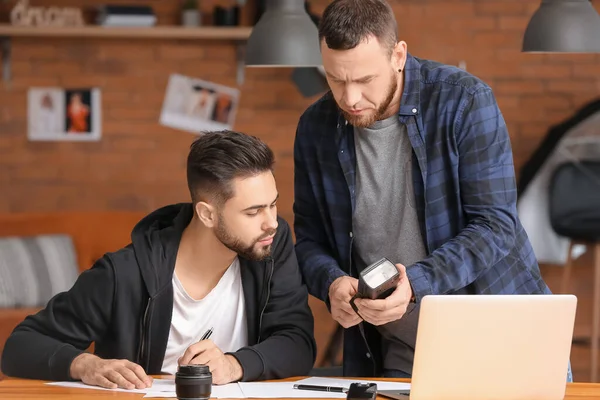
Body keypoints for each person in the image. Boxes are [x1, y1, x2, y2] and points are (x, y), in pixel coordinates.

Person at [293, 0, 564, 381]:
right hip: (401, 354)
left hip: (502, 341)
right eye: (336, 79)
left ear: (398, 55)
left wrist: (416, 284)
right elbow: (307, 240)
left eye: (365, 80)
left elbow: (495, 225)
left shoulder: (464, 102)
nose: (350, 98)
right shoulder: (315, 128)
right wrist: (331, 282)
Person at [2, 130, 316, 388]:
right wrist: (85, 364)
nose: (271, 221)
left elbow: (297, 342)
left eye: (272, 205)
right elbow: (19, 347)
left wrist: (233, 365)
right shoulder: (123, 274)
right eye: (253, 211)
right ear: (207, 214)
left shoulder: (271, 245)